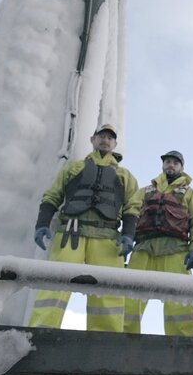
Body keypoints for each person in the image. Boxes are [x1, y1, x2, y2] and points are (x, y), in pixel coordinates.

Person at [30, 123, 139, 332]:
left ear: (115, 144)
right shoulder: (73, 168)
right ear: (93, 139)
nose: (105, 140)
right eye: (101, 136)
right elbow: (52, 196)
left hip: (107, 239)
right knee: (55, 285)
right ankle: (39, 333)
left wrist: (128, 235)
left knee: (109, 293)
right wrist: (42, 224)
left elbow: (132, 207)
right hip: (71, 234)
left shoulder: (125, 176)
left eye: (110, 138)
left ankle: (105, 342)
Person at [123, 150, 193, 336]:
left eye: (175, 162)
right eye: (167, 162)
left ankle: (182, 346)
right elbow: (131, 212)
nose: (171, 165)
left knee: (180, 304)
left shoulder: (190, 194)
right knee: (129, 299)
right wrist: (126, 237)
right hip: (143, 249)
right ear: (162, 165)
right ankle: (124, 340)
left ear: (182, 167)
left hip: (175, 251)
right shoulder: (145, 191)